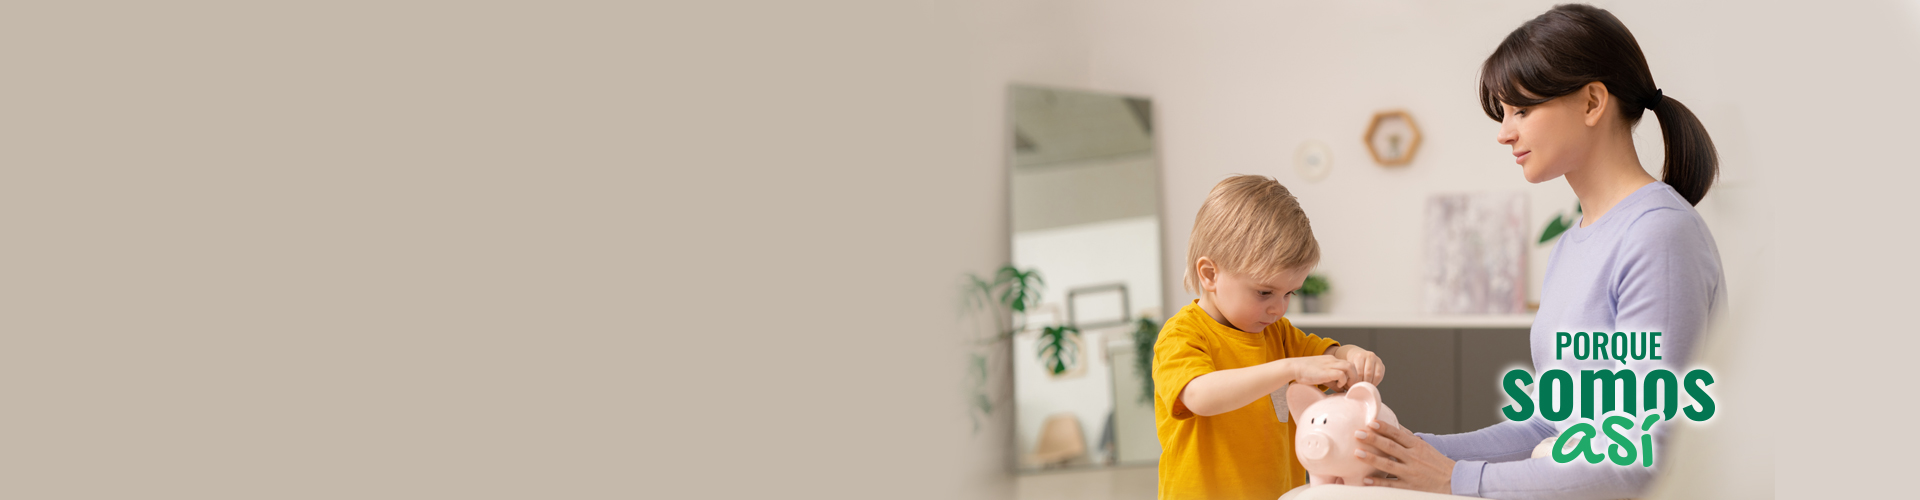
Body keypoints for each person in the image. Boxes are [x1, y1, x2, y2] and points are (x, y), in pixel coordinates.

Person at [1349, 5, 1726, 499]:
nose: (1504, 132)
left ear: (1593, 102)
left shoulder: (1659, 237)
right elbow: (1549, 427)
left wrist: (1451, 478)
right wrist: (1409, 451)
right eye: (1503, 114)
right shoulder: (1573, 244)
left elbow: (1634, 460)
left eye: (1522, 111)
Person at [1153, 174, 1388, 500]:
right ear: (1209, 274)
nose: (1278, 308)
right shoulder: (1182, 335)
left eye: (1289, 293)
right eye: (1265, 292)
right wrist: (1291, 370)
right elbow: (1200, 396)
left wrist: (1352, 355)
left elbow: (1328, 355)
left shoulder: (1278, 334)